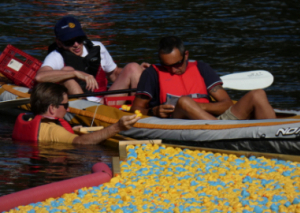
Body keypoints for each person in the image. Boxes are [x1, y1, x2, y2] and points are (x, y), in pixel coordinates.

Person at [130, 36, 276, 120]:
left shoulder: (202, 68)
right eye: (167, 66)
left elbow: (226, 104)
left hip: (218, 122)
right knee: (184, 102)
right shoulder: (151, 74)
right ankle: (225, 132)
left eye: (178, 64)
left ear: (186, 55)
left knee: (258, 94)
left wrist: (197, 106)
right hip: (181, 125)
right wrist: (153, 111)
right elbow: (134, 109)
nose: (174, 70)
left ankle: (278, 134)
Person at [35, 15, 149, 101]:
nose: (76, 44)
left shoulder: (97, 47)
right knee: (67, 71)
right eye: (69, 41)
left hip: (105, 102)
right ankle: (86, 110)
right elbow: (40, 77)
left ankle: (138, 110)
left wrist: (142, 73)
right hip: (82, 107)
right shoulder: (56, 56)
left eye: (79, 39)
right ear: (59, 43)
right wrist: (75, 73)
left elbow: (114, 74)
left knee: (133, 67)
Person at [12, 82, 140, 144]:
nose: (68, 109)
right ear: (52, 108)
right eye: (66, 105)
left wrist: (70, 130)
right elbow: (80, 142)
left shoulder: (29, 120)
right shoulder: (53, 131)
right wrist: (117, 127)